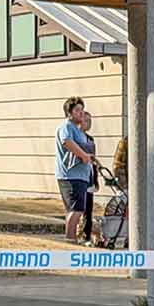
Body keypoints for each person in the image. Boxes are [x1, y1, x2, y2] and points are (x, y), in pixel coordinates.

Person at [56, 97, 95, 244]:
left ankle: (70, 239)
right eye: (77, 110)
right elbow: (67, 142)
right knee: (76, 210)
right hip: (70, 176)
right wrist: (84, 155)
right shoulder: (66, 127)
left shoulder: (79, 132)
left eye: (82, 110)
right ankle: (70, 240)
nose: (81, 113)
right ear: (69, 113)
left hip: (82, 176)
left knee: (76, 210)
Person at [80, 111, 99, 245]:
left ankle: (86, 236)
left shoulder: (90, 140)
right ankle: (76, 234)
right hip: (78, 177)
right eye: (86, 120)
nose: (89, 123)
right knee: (78, 208)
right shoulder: (75, 138)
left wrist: (96, 179)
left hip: (89, 177)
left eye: (90, 120)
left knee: (89, 209)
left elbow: (93, 161)